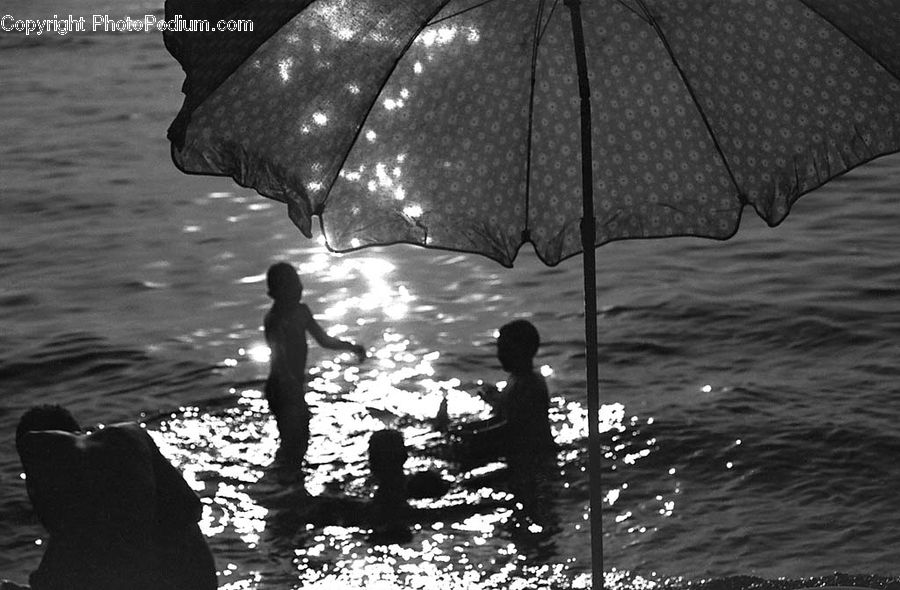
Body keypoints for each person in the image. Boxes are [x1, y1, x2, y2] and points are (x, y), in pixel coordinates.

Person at [13, 405, 217, 590]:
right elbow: (191, 507)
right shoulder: (129, 435)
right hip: (197, 577)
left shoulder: (42, 456)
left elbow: (65, 543)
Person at [263, 261, 366, 472]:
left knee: (300, 437)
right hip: (281, 388)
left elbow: (323, 340)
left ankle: (289, 479)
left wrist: (350, 346)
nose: (299, 289)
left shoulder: (302, 312)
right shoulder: (274, 320)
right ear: (274, 293)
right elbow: (279, 355)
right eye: (291, 286)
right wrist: (291, 388)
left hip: (294, 387)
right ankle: (284, 479)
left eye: (298, 283)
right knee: (293, 439)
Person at [452, 319, 555, 468]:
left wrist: (472, 435)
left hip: (535, 456)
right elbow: (510, 412)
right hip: (521, 452)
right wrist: (493, 400)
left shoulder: (531, 384)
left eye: (506, 349)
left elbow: (511, 427)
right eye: (499, 349)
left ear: (524, 351)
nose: (500, 355)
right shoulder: (516, 379)